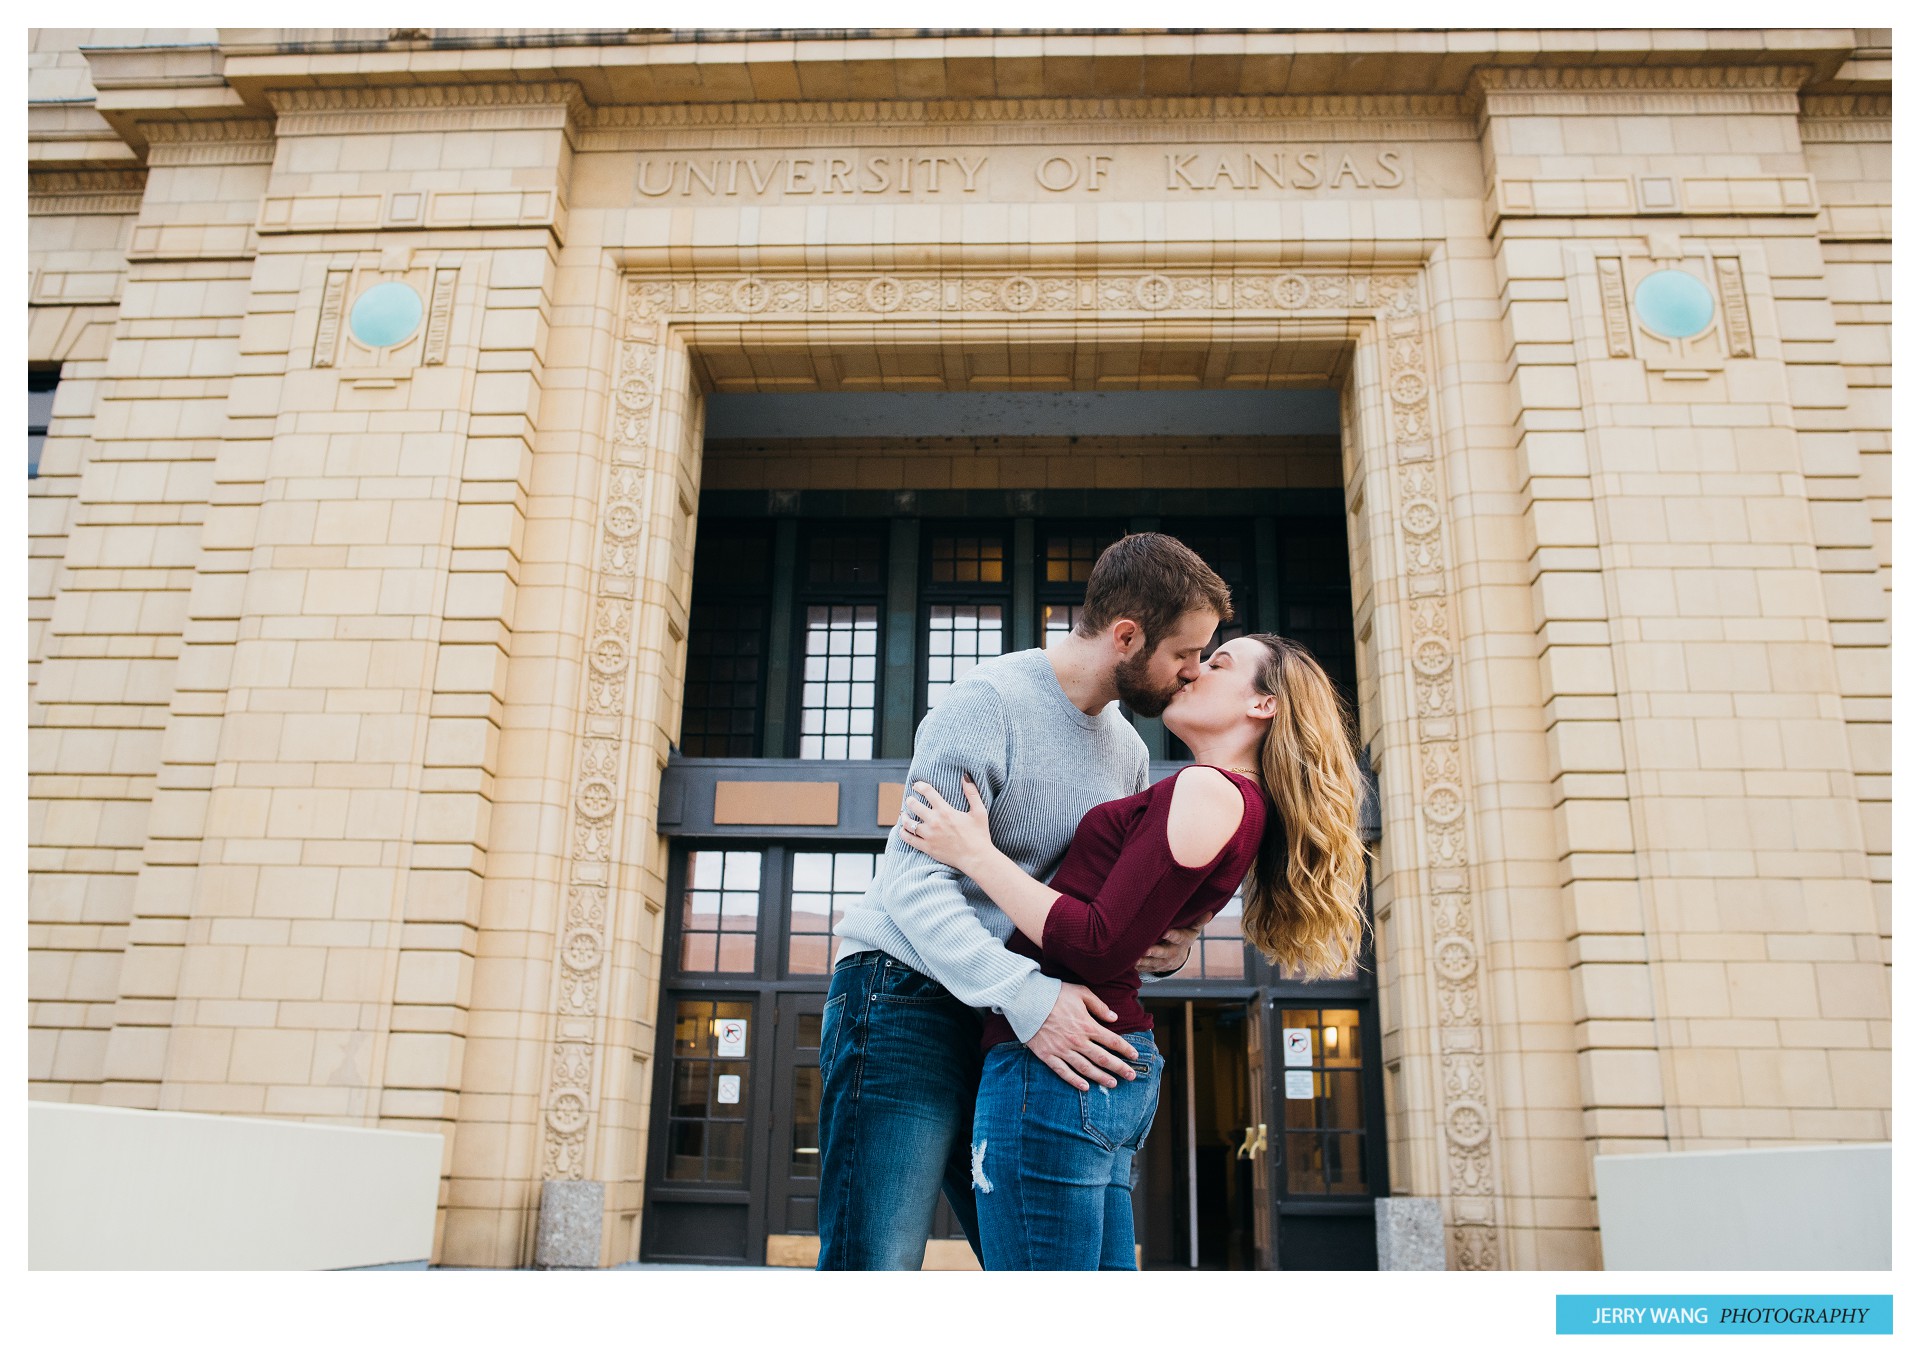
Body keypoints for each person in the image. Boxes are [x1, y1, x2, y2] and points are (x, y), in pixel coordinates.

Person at [815, 533, 1234, 1270]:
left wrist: (1166, 942)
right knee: (873, 1263)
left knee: (1032, 1252)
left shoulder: (1130, 753)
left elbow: (1099, 908)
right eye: (1187, 653)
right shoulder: (989, 702)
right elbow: (915, 879)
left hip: (1007, 1021)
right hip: (902, 996)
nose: (1194, 672)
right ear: (1127, 636)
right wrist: (1028, 995)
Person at [898, 633, 1370, 1270]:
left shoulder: (1208, 789)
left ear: (1264, 706)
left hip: (1060, 1064)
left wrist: (976, 856)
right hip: (1098, 1063)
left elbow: (1095, 943)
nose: (1197, 670)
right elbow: (1133, 934)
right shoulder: (1232, 797)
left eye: (1220, 663)